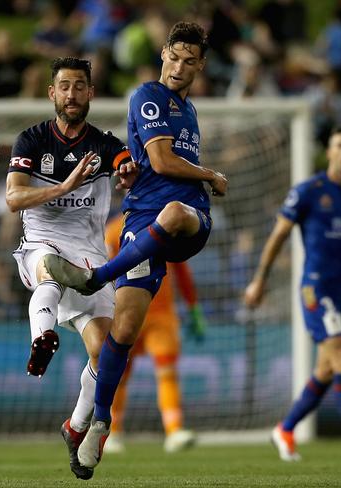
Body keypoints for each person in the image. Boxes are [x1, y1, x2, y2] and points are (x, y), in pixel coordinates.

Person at [43, 22, 228, 471]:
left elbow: (160, 163)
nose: (180, 66)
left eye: (190, 60)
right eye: (174, 56)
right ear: (163, 53)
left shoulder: (190, 110)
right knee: (121, 333)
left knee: (177, 215)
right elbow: (162, 160)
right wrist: (210, 174)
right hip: (143, 223)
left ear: (200, 65)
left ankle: (95, 278)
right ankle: (98, 424)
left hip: (188, 220)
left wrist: (198, 182)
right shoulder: (148, 96)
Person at [4, 56, 137, 480]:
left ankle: (75, 425)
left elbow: (124, 162)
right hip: (40, 239)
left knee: (104, 351)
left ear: (91, 93)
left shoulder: (103, 143)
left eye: (80, 86)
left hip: (89, 255)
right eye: (64, 86)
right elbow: (13, 198)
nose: (72, 94)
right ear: (52, 93)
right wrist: (62, 188)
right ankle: (41, 338)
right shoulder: (31, 141)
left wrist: (128, 172)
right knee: (47, 269)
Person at [243, 127, 341, 462]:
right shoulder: (309, 191)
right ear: (330, 153)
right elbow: (278, 236)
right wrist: (259, 280)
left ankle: (286, 428)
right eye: (340, 145)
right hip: (317, 288)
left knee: (327, 369)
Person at [101, 215, 205, 454]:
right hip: (126, 312)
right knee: (119, 374)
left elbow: (181, 270)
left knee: (167, 372)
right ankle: (112, 432)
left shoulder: (167, 224)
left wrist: (193, 307)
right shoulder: (113, 231)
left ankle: (174, 430)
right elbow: (104, 270)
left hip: (161, 316)